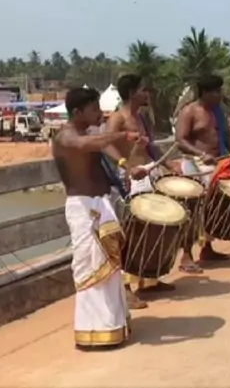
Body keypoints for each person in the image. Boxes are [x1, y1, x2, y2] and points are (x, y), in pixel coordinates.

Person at [53, 87, 145, 349]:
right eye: (94, 109)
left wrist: (127, 166)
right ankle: (93, 331)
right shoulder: (65, 136)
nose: (99, 113)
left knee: (111, 268)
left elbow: (105, 149)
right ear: (77, 112)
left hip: (101, 205)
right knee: (92, 268)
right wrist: (123, 134)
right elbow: (88, 145)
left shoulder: (90, 133)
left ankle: (114, 326)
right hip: (83, 208)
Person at [105, 75, 175, 309]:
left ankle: (150, 278)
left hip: (148, 174)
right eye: (144, 90)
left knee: (153, 230)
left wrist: (167, 164)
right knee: (129, 233)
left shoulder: (143, 117)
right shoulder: (117, 117)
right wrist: (125, 166)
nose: (147, 94)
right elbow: (105, 144)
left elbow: (151, 146)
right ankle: (125, 288)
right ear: (132, 92)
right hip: (129, 178)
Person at [174, 75, 230, 265]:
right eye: (216, 92)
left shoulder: (218, 112)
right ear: (204, 93)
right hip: (195, 166)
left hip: (217, 164)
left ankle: (207, 248)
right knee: (193, 210)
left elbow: (226, 135)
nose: (219, 95)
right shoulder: (190, 111)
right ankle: (186, 255)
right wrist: (201, 155)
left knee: (211, 210)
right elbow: (180, 141)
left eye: (220, 91)